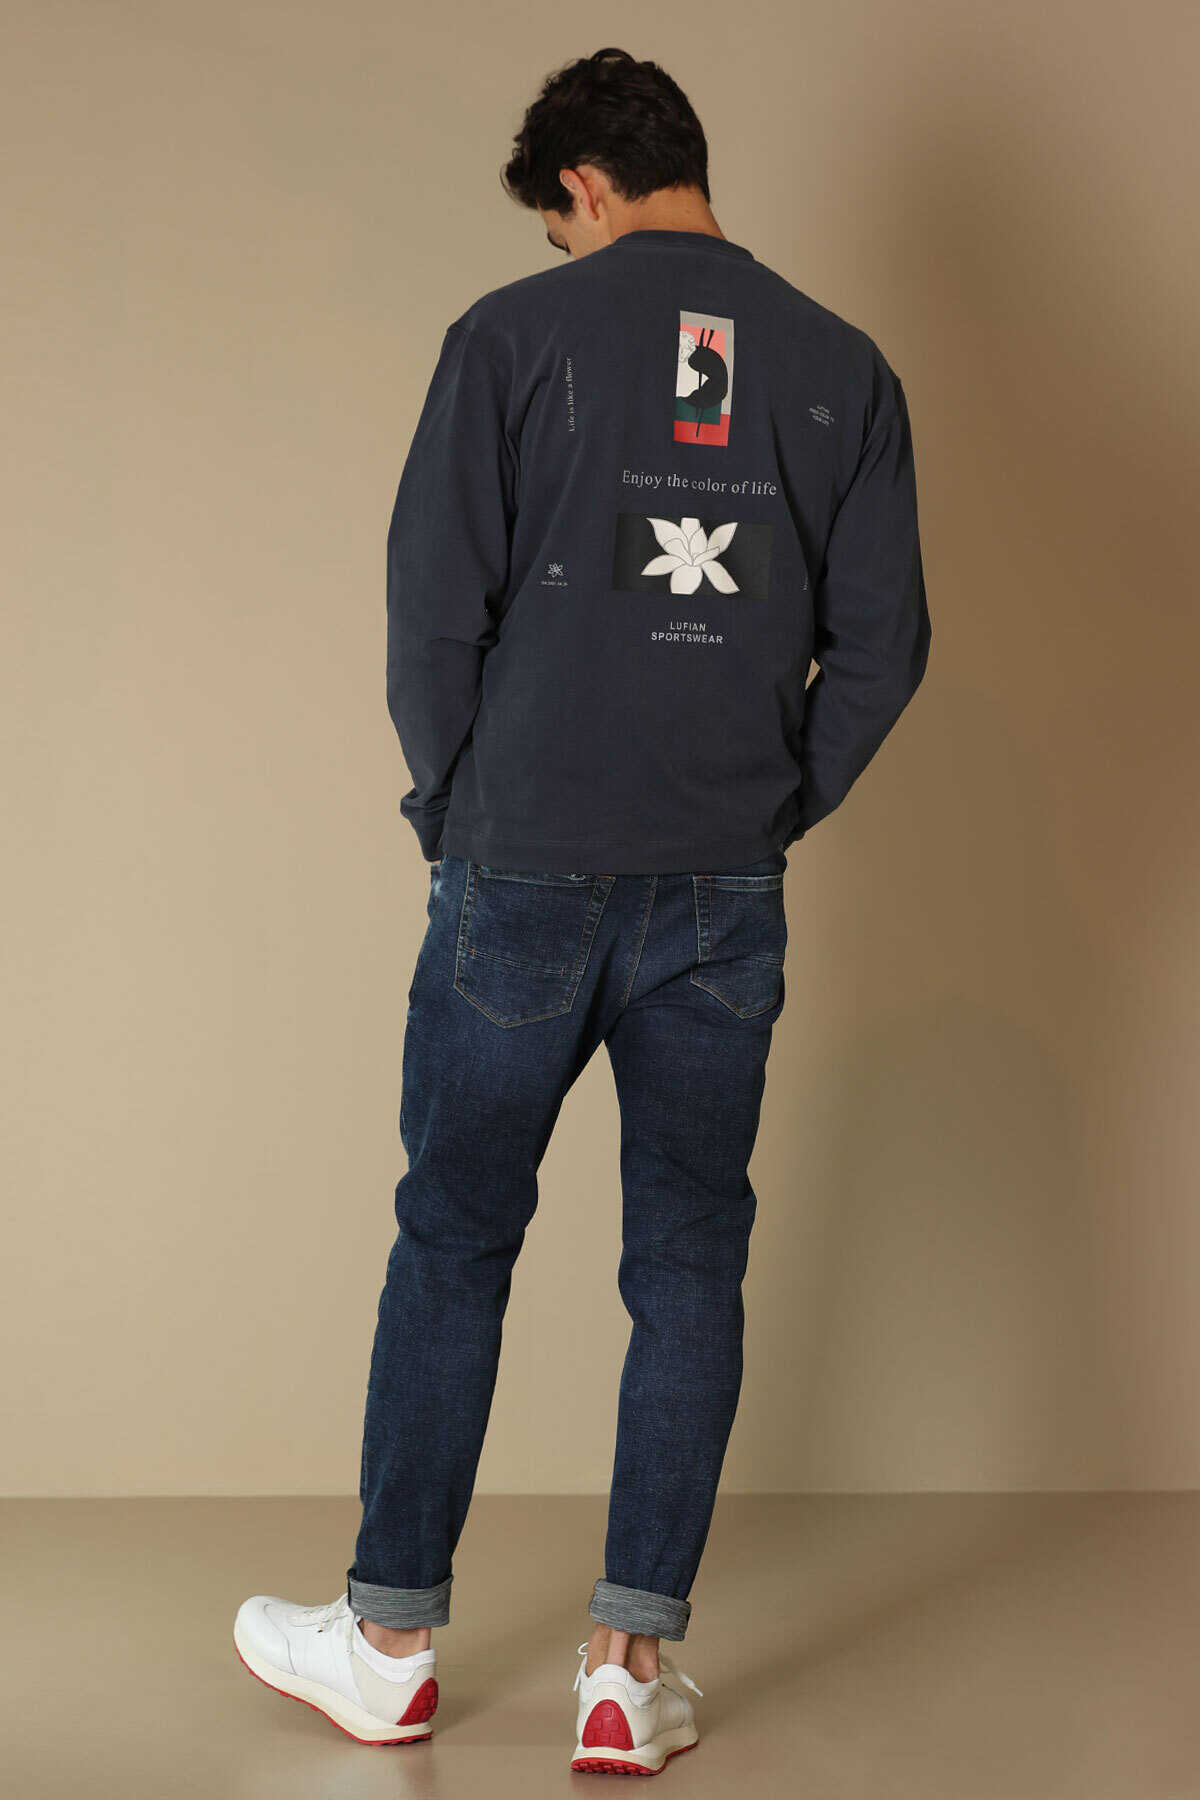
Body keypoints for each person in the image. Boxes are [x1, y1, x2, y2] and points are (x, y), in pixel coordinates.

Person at [234, 45, 931, 1776]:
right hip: (722, 889)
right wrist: (771, 804)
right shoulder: (846, 368)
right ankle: (629, 1671)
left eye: (562, 226)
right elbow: (885, 646)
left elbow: (429, 612)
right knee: (689, 1256)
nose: (565, 248)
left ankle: (389, 1644)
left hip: (522, 868)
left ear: (586, 188)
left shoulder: (508, 339)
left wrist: (455, 809)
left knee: (454, 1238)